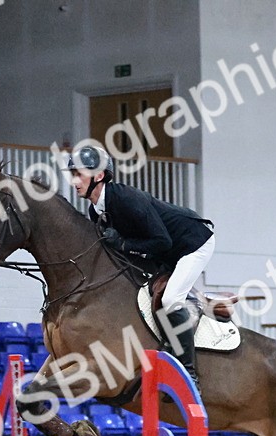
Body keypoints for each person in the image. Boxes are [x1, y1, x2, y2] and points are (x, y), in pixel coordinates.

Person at [65, 145, 214, 385]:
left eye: (78, 174)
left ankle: (188, 372)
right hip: (163, 251)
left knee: (170, 299)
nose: (74, 181)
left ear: (99, 175)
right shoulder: (96, 211)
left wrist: (123, 244)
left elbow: (162, 241)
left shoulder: (126, 199)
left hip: (192, 242)